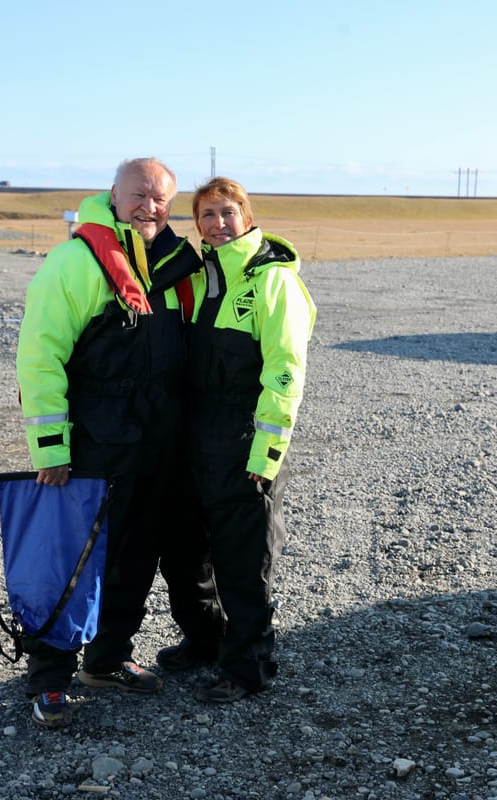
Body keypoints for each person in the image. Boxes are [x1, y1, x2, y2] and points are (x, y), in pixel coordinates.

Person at [15, 157, 201, 728]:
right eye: (139, 194)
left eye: (161, 198)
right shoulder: (74, 262)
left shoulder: (177, 263)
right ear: (113, 194)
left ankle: (108, 658)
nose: (150, 206)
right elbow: (40, 357)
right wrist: (51, 448)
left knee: (136, 556)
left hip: (156, 446)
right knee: (74, 561)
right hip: (94, 447)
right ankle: (48, 677)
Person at [158, 176, 317, 703]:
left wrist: (267, 453)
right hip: (192, 441)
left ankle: (247, 666)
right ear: (197, 224)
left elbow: (285, 371)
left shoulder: (273, 282)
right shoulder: (199, 276)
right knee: (182, 554)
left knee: (242, 561)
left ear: (246, 216)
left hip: (243, 442)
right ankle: (205, 640)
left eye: (228, 212)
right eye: (207, 214)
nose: (218, 223)